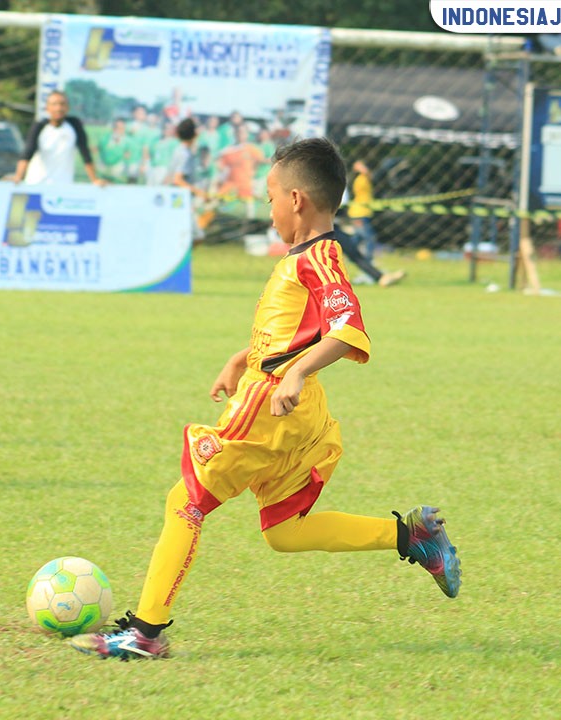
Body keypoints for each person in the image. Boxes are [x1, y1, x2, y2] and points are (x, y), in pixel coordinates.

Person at [69, 138, 460, 661]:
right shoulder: (306, 257)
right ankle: (410, 536)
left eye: (270, 196)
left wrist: (293, 373)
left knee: (185, 503)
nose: (268, 208)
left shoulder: (318, 257)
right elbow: (294, 330)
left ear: (296, 200)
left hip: (272, 406)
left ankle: (145, 633)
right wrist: (243, 357)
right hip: (294, 408)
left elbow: (348, 331)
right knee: (284, 531)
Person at [12, 90, 103, 186]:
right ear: (47, 108)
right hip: (36, 184)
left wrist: (95, 180)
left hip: (63, 187)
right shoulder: (39, 126)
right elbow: (27, 153)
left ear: (67, 107)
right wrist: (18, 176)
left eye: (62, 104)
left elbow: (85, 153)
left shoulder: (74, 125)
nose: (59, 108)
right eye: (54, 104)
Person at [348, 160, 378, 257]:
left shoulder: (363, 178)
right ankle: (368, 260)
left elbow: (370, 175)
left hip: (363, 212)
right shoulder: (359, 179)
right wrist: (361, 167)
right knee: (369, 238)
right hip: (358, 213)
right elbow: (368, 173)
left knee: (358, 237)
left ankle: (346, 253)